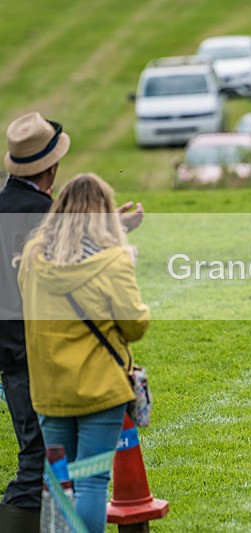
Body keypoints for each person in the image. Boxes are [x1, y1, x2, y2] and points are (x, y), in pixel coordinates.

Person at [0, 112, 143, 531]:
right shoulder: (45, 216)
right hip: (43, 356)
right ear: (52, 166)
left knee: (44, 463)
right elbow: (79, 259)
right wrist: (113, 233)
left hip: (14, 355)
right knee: (53, 468)